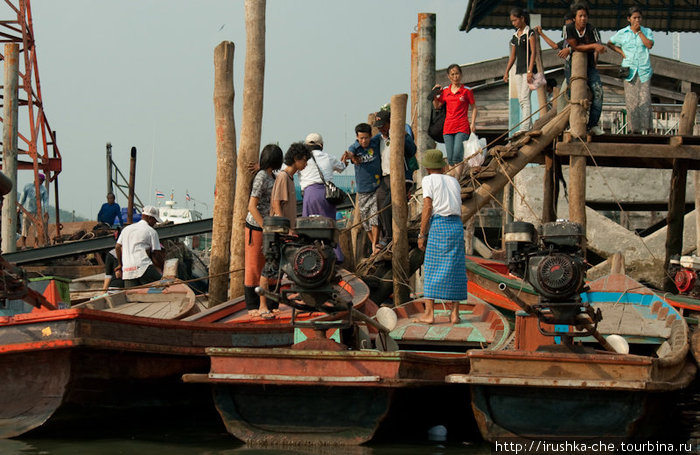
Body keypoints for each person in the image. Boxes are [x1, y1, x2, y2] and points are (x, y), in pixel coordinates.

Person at [257, 142, 311, 319]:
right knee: (270, 267)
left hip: (284, 230)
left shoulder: (290, 178)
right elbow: (276, 204)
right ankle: (262, 305)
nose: (306, 164)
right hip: (276, 231)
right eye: (304, 160)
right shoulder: (283, 177)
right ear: (296, 159)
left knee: (285, 267)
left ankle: (275, 303)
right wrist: (285, 228)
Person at [416, 149, 468, 325]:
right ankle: (454, 314)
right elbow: (459, 208)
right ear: (442, 165)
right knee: (456, 269)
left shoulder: (428, 180)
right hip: (456, 226)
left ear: (428, 168)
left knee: (431, 268)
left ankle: (429, 314)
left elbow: (427, 207)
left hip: (439, 225)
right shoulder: (454, 181)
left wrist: (422, 233)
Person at [244, 144, 283, 316]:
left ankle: (271, 302)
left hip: (269, 226)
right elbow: (252, 206)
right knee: (254, 266)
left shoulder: (271, 175)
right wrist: (264, 226)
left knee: (271, 266)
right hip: (257, 227)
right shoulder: (261, 176)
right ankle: (253, 305)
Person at [298, 133, 347, 262]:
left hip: (309, 194)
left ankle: (310, 258)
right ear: (322, 145)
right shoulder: (329, 157)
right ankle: (336, 258)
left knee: (307, 228)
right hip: (326, 195)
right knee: (329, 227)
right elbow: (341, 167)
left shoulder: (302, 160)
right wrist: (344, 161)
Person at [373, 109, 417, 248]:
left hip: (401, 177)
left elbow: (412, 150)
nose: (380, 129)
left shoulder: (400, 133)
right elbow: (365, 144)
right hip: (385, 178)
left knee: (388, 206)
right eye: (378, 127)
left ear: (390, 123)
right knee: (380, 206)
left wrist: (402, 136)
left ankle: (390, 237)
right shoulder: (378, 139)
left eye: (383, 126)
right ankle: (386, 236)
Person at [607, 6, 654, 134]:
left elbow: (649, 44)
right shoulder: (623, 33)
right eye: (634, 18)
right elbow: (609, 43)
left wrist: (639, 32)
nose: (637, 20)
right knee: (631, 100)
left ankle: (648, 128)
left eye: (639, 18)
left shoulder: (647, 31)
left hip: (644, 69)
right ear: (629, 19)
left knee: (645, 99)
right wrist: (621, 52)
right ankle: (634, 129)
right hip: (629, 70)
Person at [564, 3, 606, 135]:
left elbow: (599, 48)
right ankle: (572, 125)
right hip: (572, 66)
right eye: (580, 16)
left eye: (585, 16)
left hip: (590, 66)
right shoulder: (568, 28)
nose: (583, 19)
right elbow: (575, 46)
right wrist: (592, 45)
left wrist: (595, 48)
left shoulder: (592, 29)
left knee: (598, 92)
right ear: (575, 18)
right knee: (573, 95)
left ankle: (592, 125)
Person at [343, 123, 382, 254]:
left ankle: (375, 244)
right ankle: (374, 244)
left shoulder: (376, 142)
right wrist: (349, 156)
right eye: (361, 138)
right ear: (357, 138)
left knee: (374, 217)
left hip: (377, 186)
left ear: (371, 136)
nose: (364, 141)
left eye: (366, 138)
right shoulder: (355, 147)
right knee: (366, 222)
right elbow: (350, 152)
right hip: (363, 189)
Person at [431, 64, 478, 164]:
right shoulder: (446, 90)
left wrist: (473, 123)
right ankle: (453, 178)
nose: (455, 77)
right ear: (448, 76)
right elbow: (437, 106)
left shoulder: (466, 91)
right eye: (452, 74)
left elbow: (474, 108)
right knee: (451, 159)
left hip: (462, 127)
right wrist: (434, 95)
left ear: (461, 75)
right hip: (448, 128)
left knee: (457, 155)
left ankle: (457, 178)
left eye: (457, 74)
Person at [503, 8, 536, 132]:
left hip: (528, 70)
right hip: (518, 70)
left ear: (522, 18)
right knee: (521, 99)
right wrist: (506, 72)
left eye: (515, 20)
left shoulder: (530, 33)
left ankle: (525, 127)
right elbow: (513, 56)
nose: (513, 23)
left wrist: (530, 70)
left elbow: (533, 52)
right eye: (512, 21)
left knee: (524, 98)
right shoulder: (515, 36)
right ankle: (528, 125)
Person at [115, 205, 164, 288]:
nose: (155, 223)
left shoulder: (126, 229)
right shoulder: (151, 231)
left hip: (128, 270)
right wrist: (163, 267)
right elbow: (156, 254)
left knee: (131, 294)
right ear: (150, 218)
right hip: (144, 267)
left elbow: (117, 247)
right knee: (162, 286)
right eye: (155, 221)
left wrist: (120, 264)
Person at [19, 173, 49, 249]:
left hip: (37, 212)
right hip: (27, 211)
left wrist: (46, 211)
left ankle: (36, 244)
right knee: (25, 228)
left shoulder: (43, 189)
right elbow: (22, 197)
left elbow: (45, 201)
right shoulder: (28, 186)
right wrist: (19, 207)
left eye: (42, 181)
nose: (41, 182)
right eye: (40, 180)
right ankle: (23, 244)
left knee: (38, 229)